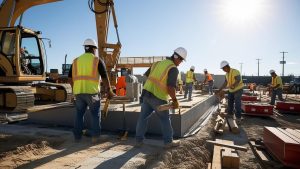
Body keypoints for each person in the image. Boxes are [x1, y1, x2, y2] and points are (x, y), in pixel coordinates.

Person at [135, 47, 187, 148]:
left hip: (146, 94)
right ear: (176, 57)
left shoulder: (157, 63)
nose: (180, 63)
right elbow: (170, 87)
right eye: (181, 60)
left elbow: (147, 76)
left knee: (142, 118)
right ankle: (168, 142)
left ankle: (138, 141)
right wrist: (175, 100)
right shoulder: (173, 68)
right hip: (158, 96)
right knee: (165, 119)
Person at [68, 38, 115, 143]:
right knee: (95, 114)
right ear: (94, 49)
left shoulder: (75, 61)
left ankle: (77, 137)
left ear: (85, 48)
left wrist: (75, 89)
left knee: (79, 114)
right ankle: (95, 137)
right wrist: (109, 90)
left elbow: (70, 79)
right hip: (92, 93)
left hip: (79, 93)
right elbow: (104, 77)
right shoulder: (97, 60)